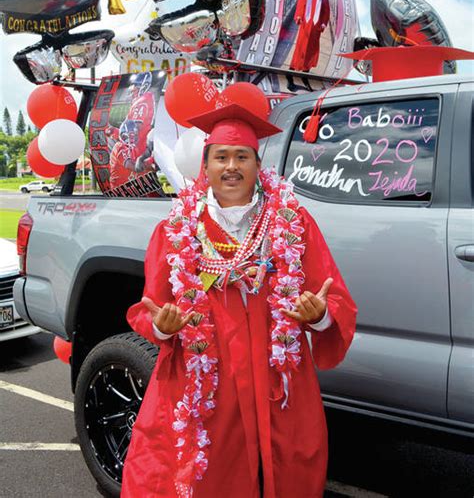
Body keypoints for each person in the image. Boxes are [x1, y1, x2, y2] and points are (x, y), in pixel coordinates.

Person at [121, 99, 357, 498]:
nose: (231, 166)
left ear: (257, 165)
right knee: (203, 470)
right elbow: (151, 307)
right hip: (206, 374)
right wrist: (162, 326)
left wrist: (318, 318)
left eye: (242, 156)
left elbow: (333, 298)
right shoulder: (176, 229)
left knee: (287, 466)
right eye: (221, 157)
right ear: (206, 166)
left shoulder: (292, 222)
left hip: (276, 372)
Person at [289, 0, 330, 72]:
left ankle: (305, 71)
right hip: (305, 23)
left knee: (311, 49)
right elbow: (301, 1)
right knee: (300, 46)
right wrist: (298, 16)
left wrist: (323, 23)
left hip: (316, 25)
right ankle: (291, 70)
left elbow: (326, 9)